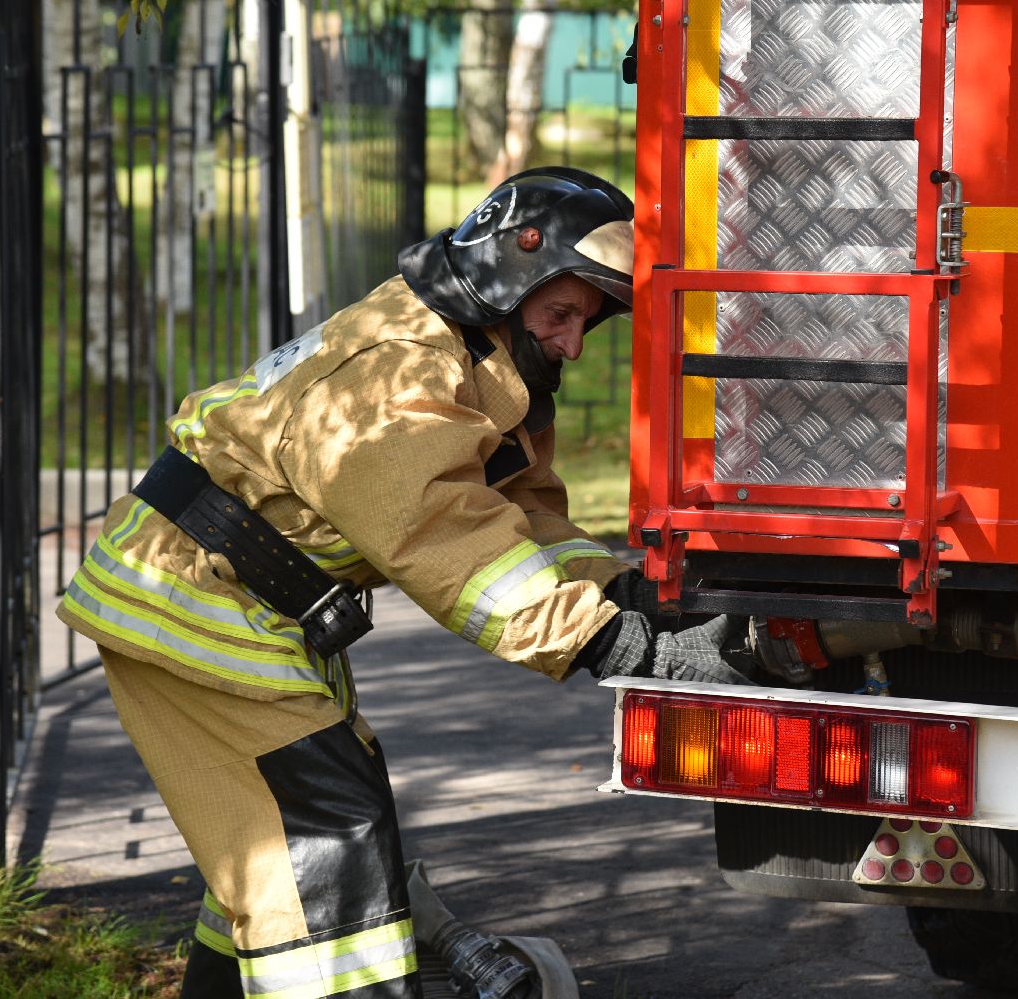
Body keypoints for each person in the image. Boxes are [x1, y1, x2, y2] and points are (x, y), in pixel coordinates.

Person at [55, 167, 749, 999]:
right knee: (328, 847)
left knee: (275, 845)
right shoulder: (401, 372)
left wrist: (637, 600)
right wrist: (620, 644)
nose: (572, 341)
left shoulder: (482, 363)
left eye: (586, 324)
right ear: (507, 277)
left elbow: (520, 522)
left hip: (245, 610)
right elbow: (444, 541)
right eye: (561, 313)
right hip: (195, 603)